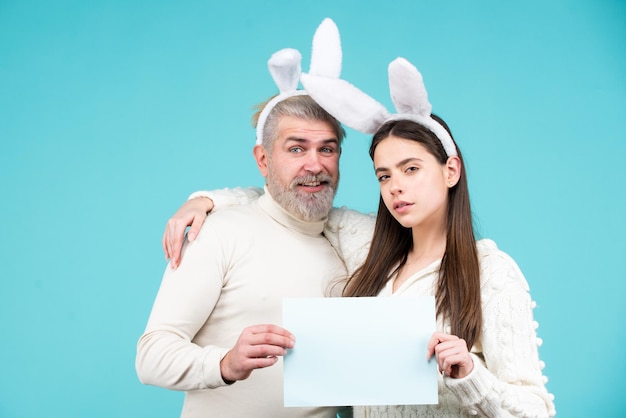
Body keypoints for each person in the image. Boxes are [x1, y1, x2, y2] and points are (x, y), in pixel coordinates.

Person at [163, 55, 556, 416]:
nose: (395, 187)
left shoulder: (491, 272)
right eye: (384, 175)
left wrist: (470, 374)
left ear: (450, 171)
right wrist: (207, 199)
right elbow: (295, 193)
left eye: (411, 169)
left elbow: (537, 410)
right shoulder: (367, 246)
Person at [136, 27, 370, 416]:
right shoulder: (218, 232)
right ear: (262, 159)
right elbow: (152, 354)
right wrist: (224, 364)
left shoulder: (352, 244)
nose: (315, 164)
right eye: (296, 148)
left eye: (327, 149)